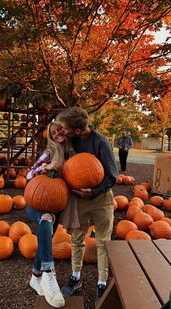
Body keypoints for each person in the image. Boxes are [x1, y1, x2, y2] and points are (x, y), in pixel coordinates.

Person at [57, 106, 118, 305]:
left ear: (76, 130)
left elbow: (112, 176)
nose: (61, 131)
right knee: (77, 239)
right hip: (79, 200)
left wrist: (92, 191)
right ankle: (75, 277)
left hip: (101, 200)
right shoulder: (68, 141)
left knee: (102, 242)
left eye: (64, 128)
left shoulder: (101, 142)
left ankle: (101, 282)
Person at [25, 121, 72, 308]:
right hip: (35, 201)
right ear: (51, 137)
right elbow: (29, 176)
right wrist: (46, 167)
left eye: (60, 128)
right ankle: (48, 273)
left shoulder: (73, 154)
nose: (58, 133)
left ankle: (36, 277)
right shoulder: (50, 153)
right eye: (53, 132)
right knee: (45, 218)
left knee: (46, 238)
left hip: (57, 204)